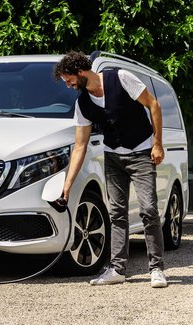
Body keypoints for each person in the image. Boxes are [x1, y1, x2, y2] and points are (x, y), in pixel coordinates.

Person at [53, 51, 168, 288]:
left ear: (81, 71)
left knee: (148, 209)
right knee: (116, 214)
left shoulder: (121, 77)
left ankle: (156, 269)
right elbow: (80, 146)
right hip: (114, 157)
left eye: (69, 79)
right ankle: (117, 269)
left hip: (141, 152)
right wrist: (66, 186)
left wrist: (157, 143)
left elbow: (153, 105)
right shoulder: (82, 103)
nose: (69, 85)